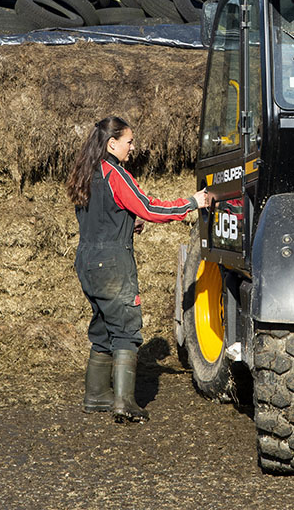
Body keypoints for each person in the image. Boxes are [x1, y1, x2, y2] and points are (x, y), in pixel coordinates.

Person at [65, 115, 209, 423]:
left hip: (87, 261)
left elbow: (104, 216)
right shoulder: (116, 173)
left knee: (103, 327)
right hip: (113, 262)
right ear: (112, 143)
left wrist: (129, 223)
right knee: (127, 331)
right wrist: (192, 202)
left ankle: (96, 396)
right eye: (129, 141)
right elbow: (150, 207)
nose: (133, 147)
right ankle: (124, 402)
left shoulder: (85, 172)